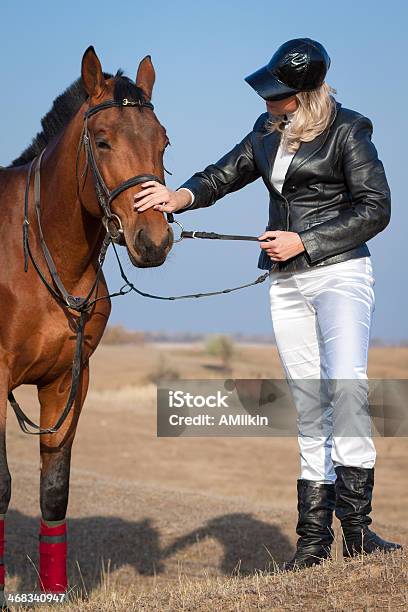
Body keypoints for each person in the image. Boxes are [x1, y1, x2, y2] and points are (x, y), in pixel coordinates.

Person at [133, 38, 402, 569]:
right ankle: (312, 544)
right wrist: (177, 196)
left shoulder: (349, 129)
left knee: (345, 392)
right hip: (286, 281)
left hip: (341, 275)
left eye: (276, 94)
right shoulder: (264, 131)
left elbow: (377, 208)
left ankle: (359, 533)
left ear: (303, 95)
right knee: (307, 405)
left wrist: (305, 241)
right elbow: (223, 174)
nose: (266, 101)